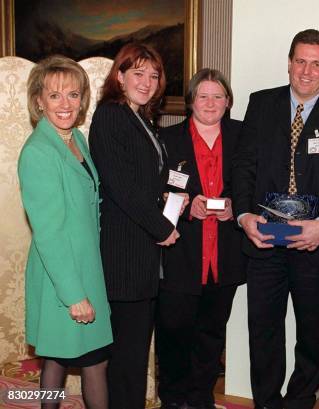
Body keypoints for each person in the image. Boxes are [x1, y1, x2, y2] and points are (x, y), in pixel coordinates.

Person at [232, 29, 319, 409]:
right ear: (289, 63)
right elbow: (243, 166)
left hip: (313, 244)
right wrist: (242, 215)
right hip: (265, 239)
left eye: (316, 64)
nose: (307, 71)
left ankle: (300, 401)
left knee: (312, 334)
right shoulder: (261, 104)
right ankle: (268, 403)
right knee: (264, 333)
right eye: (300, 61)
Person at [89, 43, 181, 409]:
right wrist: (162, 227)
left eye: (153, 75)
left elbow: (143, 183)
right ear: (120, 75)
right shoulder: (111, 115)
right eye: (138, 73)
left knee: (134, 354)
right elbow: (120, 187)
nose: (146, 82)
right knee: (127, 359)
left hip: (142, 255)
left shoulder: (141, 118)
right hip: (124, 255)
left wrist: (168, 201)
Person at [18, 55, 112, 409]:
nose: (65, 104)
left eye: (73, 94)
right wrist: (74, 294)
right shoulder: (39, 152)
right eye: (55, 95)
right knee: (95, 362)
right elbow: (50, 232)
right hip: (62, 275)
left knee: (55, 359)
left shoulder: (74, 140)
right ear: (39, 100)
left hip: (84, 267)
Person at [156, 68, 246, 409]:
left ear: (228, 102)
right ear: (191, 100)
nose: (210, 103)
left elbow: (254, 183)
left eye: (218, 96)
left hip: (224, 253)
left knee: (211, 333)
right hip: (181, 251)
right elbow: (157, 192)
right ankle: (173, 399)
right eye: (203, 95)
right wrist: (184, 205)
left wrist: (236, 207)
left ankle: (201, 398)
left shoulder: (243, 136)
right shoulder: (167, 139)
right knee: (174, 332)